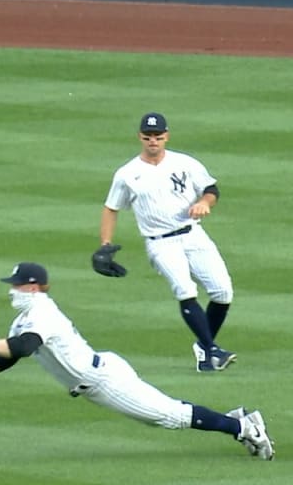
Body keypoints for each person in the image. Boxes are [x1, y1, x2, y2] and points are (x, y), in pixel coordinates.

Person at [0, 262, 274, 460]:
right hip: (101, 374)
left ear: (34, 288)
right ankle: (237, 421)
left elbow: (23, 348)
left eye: (16, 286)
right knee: (166, 414)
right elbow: (7, 358)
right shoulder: (24, 319)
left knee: (171, 416)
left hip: (104, 382)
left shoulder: (42, 312)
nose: (11, 290)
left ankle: (244, 427)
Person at [92, 112, 237, 373]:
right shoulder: (128, 173)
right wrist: (105, 244)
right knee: (185, 289)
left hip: (193, 234)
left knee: (223, 292)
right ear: (140, 137)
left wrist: (204, 203)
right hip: (160, 243)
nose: (153, 142)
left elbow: (211, 189)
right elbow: (111, 208)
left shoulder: (185, 163)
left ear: (166, 136)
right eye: (148, 137)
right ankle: (212, 349)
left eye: (158, 137)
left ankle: (204, 350)